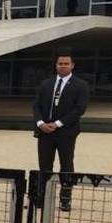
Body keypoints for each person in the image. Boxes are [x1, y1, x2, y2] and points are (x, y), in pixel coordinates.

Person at [34, 54, 88, 212]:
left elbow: (79, 109)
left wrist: (57, 124)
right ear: (56, 65)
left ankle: (65, 199)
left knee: (66, 165)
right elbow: (36, 106)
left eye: (66, 63)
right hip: (45, 132)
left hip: (66, 132)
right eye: (60, 63)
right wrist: (40, 123)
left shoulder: (81, 85)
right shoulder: (46, 84)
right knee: (44, 165)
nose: (63, 66)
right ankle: (42, 198)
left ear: (72, 65)